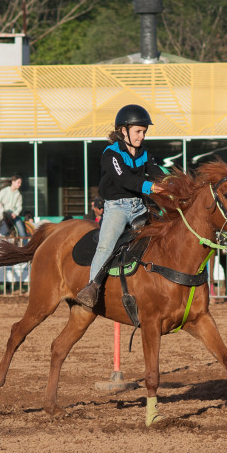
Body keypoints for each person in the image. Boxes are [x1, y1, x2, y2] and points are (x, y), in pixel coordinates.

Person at [75, 104, 166, 309]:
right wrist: (151, 186)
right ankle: (92, 287)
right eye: (138, 131)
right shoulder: (111, 153)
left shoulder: (144, 153)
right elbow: (124, 179)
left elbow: (157, 172)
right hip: (117, 208)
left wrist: (172, 182)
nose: (142, 136)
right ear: (123, 131)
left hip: (140, 207)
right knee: (106, 245)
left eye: (144, 132)